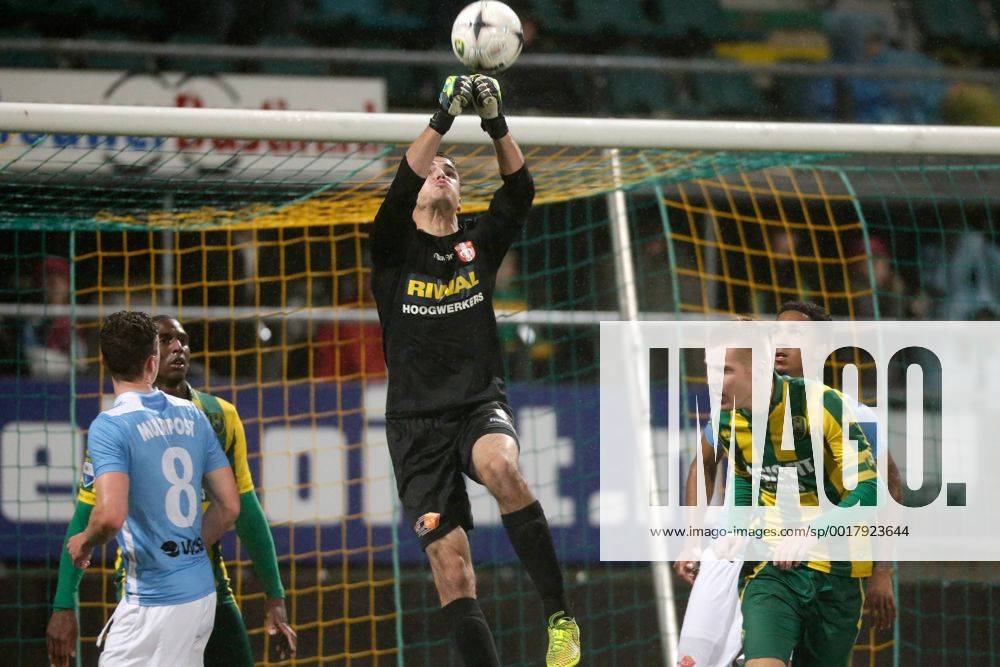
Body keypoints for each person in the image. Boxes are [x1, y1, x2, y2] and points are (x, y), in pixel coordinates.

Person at [369, 74, 581, 666]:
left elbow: (520, 192)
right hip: (414, 426)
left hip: (475, 406)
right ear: (413, 198)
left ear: (460, 200)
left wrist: (494, 121)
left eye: (453, 174)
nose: (442, 172)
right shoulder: (391, 250)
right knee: (451, 567)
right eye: (435, 170)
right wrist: (441, 117)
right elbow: (404, 178)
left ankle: (560, 616)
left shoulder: (475, 248)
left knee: (500, 466)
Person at [47, 315, 297, 666]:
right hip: (192, 590)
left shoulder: (208, 415)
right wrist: (64, 603)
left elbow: (248, 510)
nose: (178, 347)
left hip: (167, 593)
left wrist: (275, 593)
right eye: (165, 340)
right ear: (150, 359)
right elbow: (231, 506)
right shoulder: (197, 418)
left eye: (183, 339)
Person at [676, 301, 898, 665]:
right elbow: (713, 465)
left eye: (795, 333)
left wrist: (882, 570)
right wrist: (695, 537)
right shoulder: (729, 414)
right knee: (697, 658)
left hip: (830, 564)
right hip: (754, 555)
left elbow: (881, 488)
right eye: (775, 330)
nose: (781, 341)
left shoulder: (839, 408)